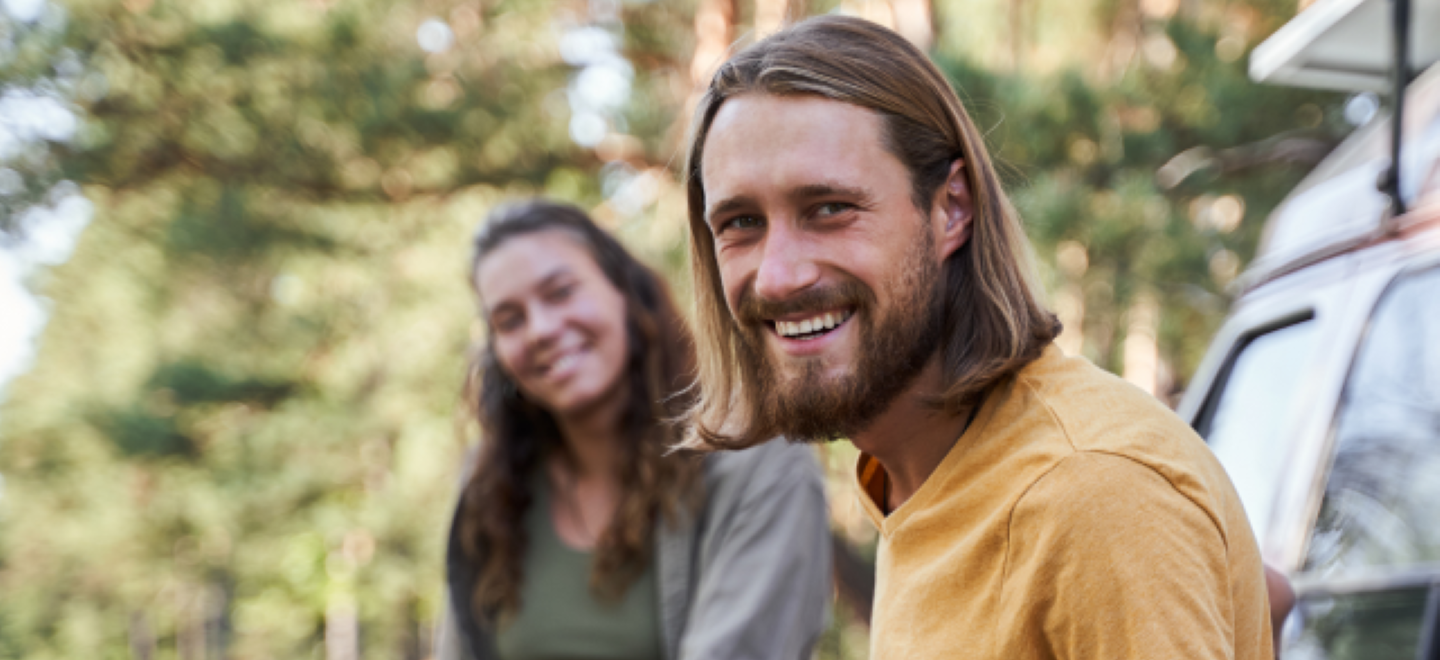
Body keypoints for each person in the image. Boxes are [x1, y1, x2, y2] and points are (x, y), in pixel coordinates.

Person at [678, 16, 1274, 660]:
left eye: (829, 209)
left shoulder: (1089, 491)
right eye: (741, 223)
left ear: (951, 208)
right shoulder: (913, 469)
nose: (779, 275)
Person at [437, 200, 831, 660]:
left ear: (624, 291)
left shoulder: (759, 459)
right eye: (509, 320)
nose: (540, 329)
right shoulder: (490, 491)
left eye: (561, 292)